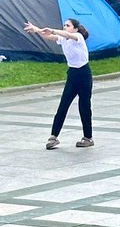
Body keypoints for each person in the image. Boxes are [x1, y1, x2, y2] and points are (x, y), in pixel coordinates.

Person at [24, 18, 94, 150]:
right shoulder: (63, 39)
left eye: (68, 25)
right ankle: (53, 137)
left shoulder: (78, 37)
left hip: (84, 74)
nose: (65, 27)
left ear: (75, 28)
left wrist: (53, 30)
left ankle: (88, 137)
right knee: (63, 106)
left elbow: (67, 35)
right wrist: (36, 29)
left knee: (84, 107)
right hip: (72, 74)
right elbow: (49, 36)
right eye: (64, 25)